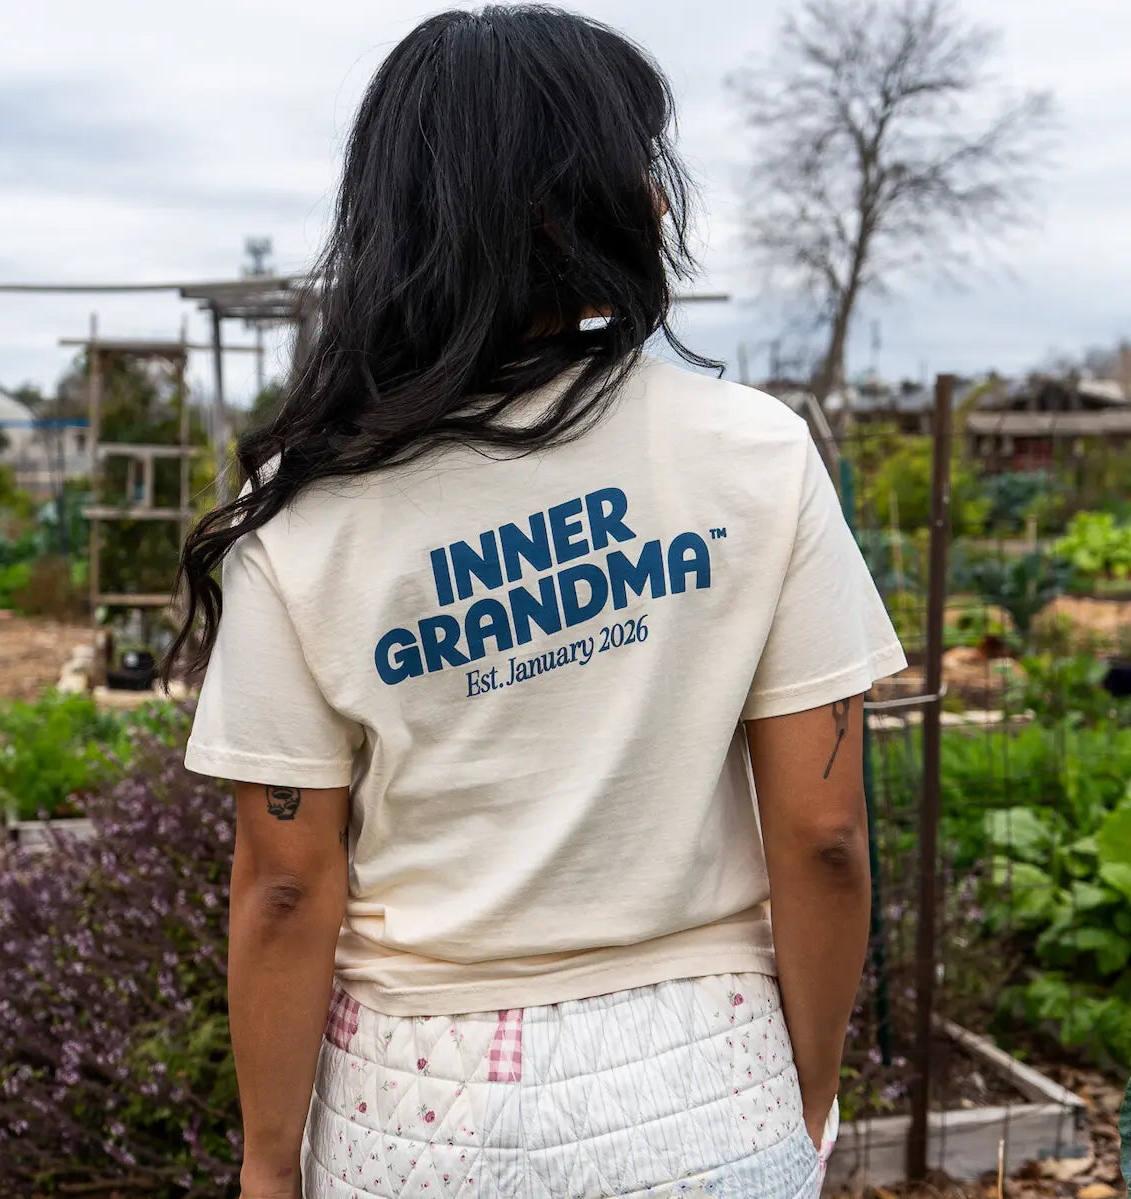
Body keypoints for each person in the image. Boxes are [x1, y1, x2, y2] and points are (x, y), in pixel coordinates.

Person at [172, 7, 906, 1197]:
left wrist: (267, 1165)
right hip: (704, 1085)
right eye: (639, 162)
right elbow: (825, 834)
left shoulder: (307, 505)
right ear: (576, 205)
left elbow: (287, 882)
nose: (659, 197)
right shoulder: (757, 452)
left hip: (417, 1109)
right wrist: (807, 1089)